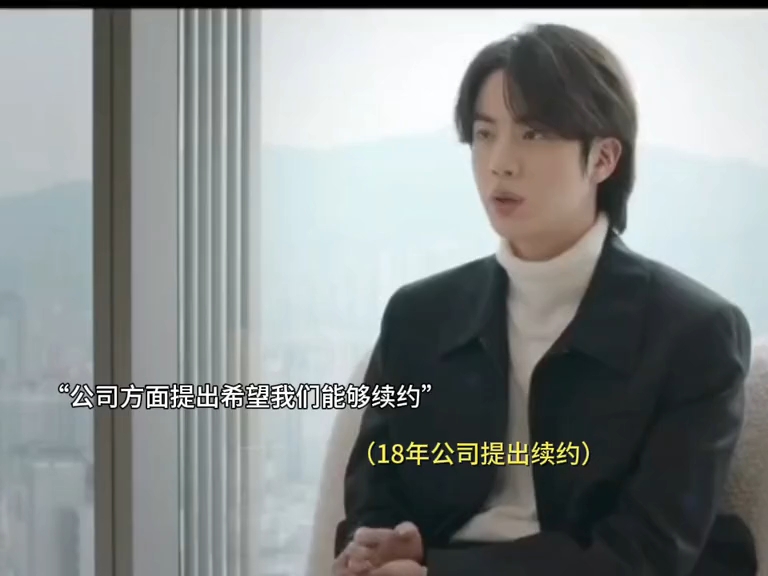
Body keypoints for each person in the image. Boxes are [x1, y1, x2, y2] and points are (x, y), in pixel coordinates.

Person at [332, 23, 757, 576]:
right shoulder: (418, 317)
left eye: (533, 134)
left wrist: (437, 569)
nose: (500, 162)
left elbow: (645, 554)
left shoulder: (695, 334)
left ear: (603, 158)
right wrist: (377, 555)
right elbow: (373, 498)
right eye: (485, 134)